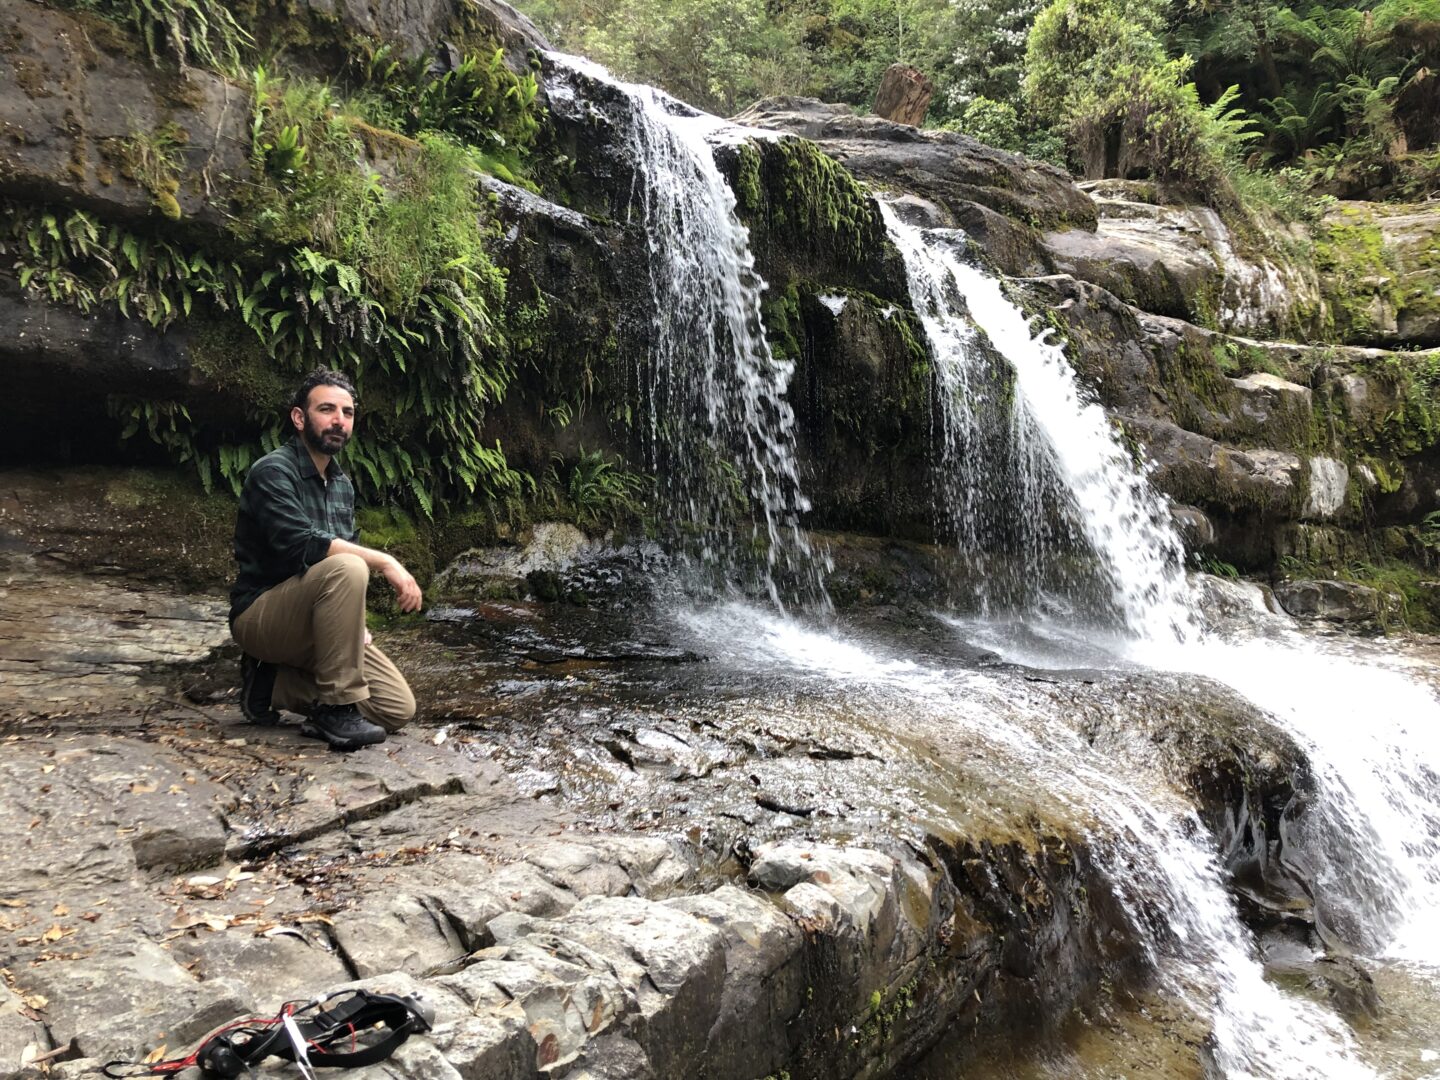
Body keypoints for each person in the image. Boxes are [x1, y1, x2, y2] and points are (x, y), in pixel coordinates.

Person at [229, 368, 423, 751]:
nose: (339, 421)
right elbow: (302, 546)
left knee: (397, 708)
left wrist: (353, 626)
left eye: (347, 413)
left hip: (317, 620)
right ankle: (335, 711)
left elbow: (341, 561)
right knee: (350, 565)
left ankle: (272, 684)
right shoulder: (272, 472)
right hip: (261, 617)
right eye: (327, 409)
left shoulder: (342, 485)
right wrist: (385, 561)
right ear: (300, 418)